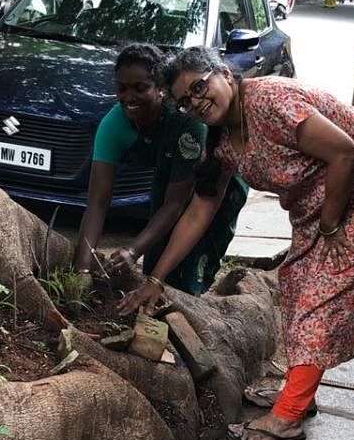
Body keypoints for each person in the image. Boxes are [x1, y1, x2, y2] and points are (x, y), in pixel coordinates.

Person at [120, 47, 354, 440]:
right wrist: (156, 279)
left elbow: (344, 151)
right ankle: (298, 393)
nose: (197, 102)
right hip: (324, 198)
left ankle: (288, 417)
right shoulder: (222, 143)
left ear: (224, 73)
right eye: (185, 101)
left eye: (200, 87)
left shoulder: (270, 101)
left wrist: (330, 226)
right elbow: (198, 211)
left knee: (322, 299)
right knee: (296, 284)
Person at [73, 43, 248, 295]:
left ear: (161, 90)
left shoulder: (186, 120)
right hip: (169, 175)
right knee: (154, 260)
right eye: (122, 89)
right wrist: (83, 269)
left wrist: (133, 250)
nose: (129, 97)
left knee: (191, 265)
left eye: (140, 88)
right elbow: (98, 201)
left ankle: (187, 309)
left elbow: (178, 203)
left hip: (217, 181)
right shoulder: (113, 125)